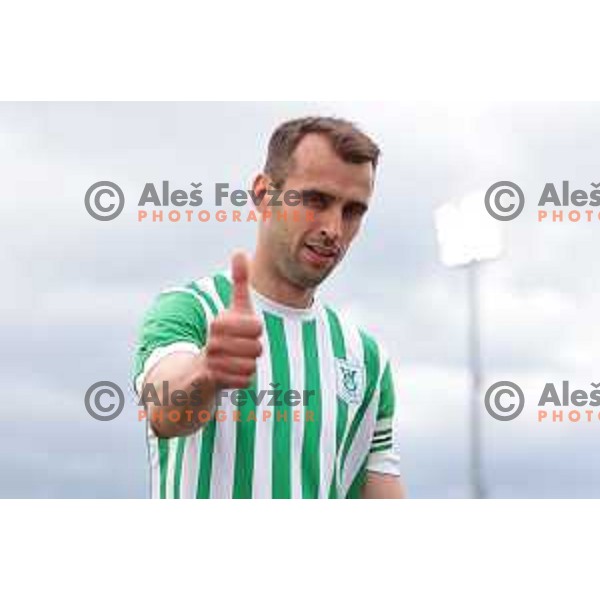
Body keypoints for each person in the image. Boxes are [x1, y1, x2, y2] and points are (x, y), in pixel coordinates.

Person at [132, 116, 405, 499]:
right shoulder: (190, 309)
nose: (334, 228)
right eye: (316, 200)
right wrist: (208, 371)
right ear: (263, 193)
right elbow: (164, 410)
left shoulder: (367, 359)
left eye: (353, 210)